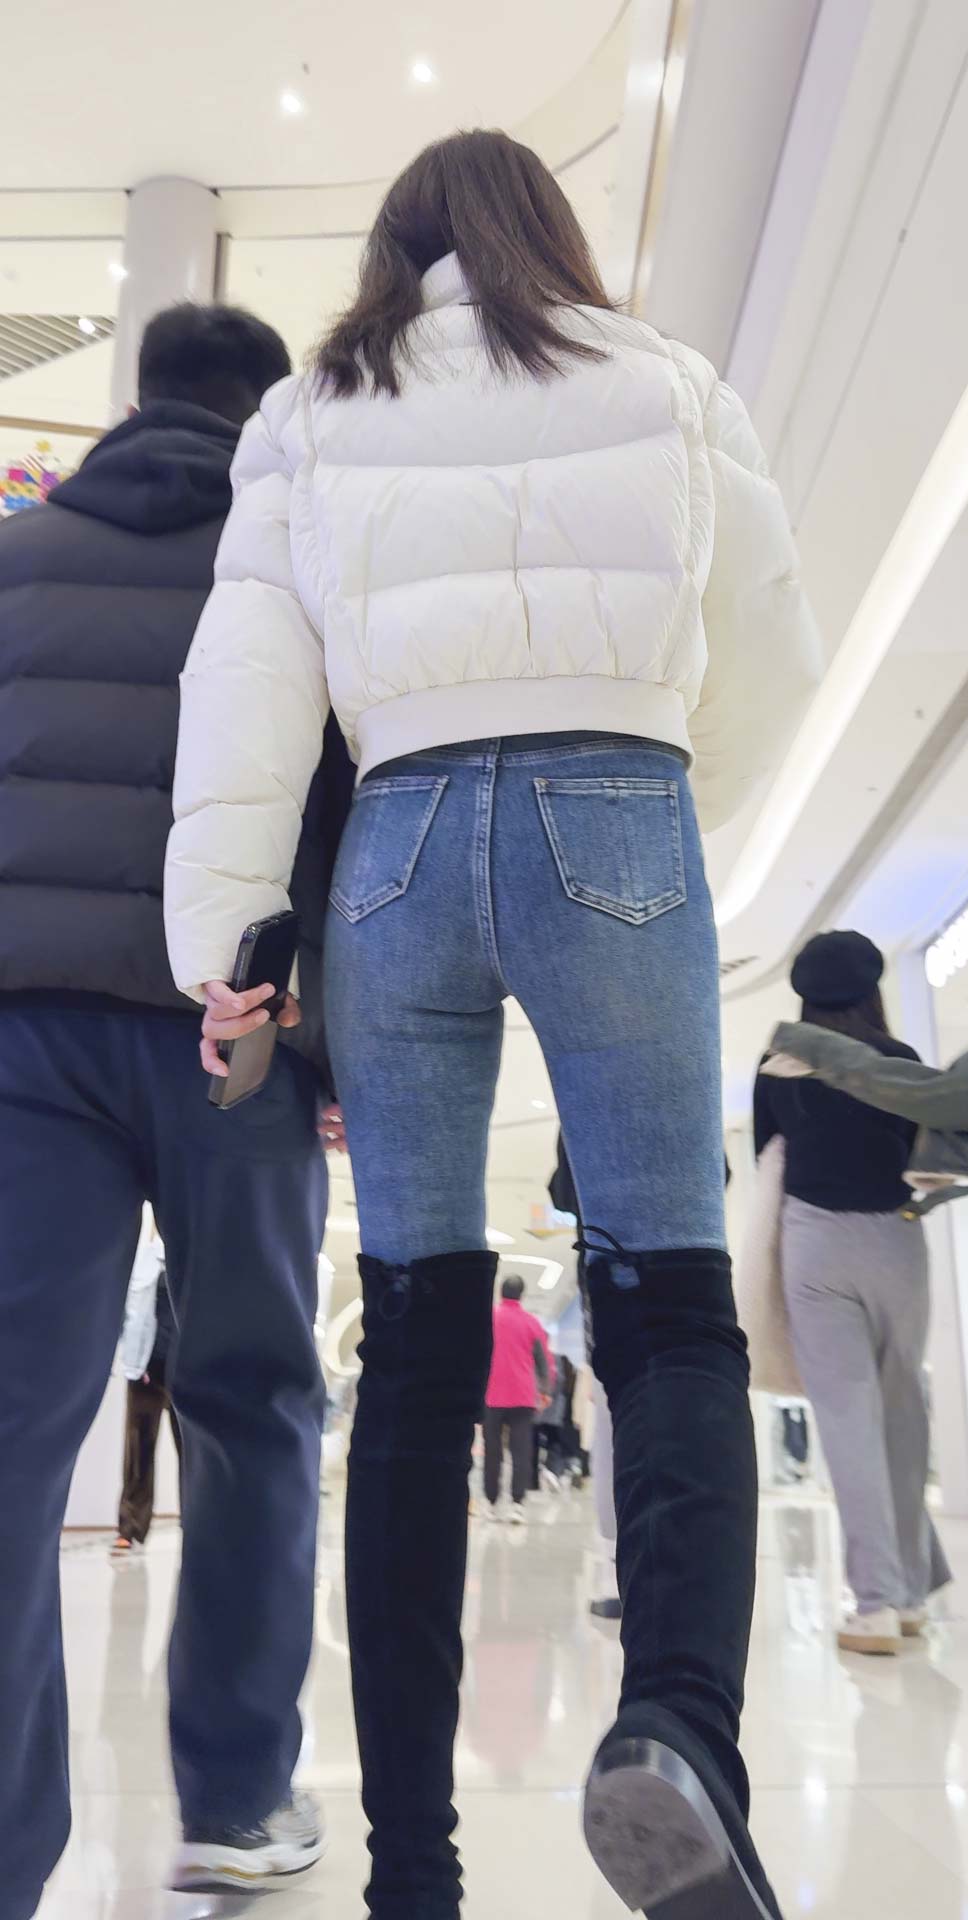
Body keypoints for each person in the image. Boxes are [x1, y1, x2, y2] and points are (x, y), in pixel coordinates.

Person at [165, 128, 821, 1920]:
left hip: (396, 847)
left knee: (415, 1346)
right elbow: (773, 650)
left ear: (397, 252)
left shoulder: (312, 410)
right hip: (618, 806)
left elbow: (248, 689)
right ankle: (677, 1732)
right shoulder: (663, 378)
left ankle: (412, 1869)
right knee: (669, 1302)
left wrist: (225, 945)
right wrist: (671, 806)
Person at [0, 304, 353, 1915]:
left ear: (128, 402)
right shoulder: (296, 569)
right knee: (254, 1402)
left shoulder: (14, 560)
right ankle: (235, 1799)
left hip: (25, 1043)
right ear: (267, 413)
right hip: (240, 1032)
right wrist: (336, 1050)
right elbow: (350, 819)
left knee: (13, 1429)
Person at [770, 943, 968, 1566]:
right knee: (901, 1400)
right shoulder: (927, 1053)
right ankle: (908, 1577)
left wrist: (809, 1045)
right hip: (905, 1239)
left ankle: (879, 1590)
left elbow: (925, 1099)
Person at [755, 932, 951, 1656]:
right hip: (897, 1237)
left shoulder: (779, 1062)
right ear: (872, 989)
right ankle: (909, 1599)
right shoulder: (899, 1061)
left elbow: (766, 1156)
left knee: (847, 1420)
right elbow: (925, 1148)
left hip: (815, 1242)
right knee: (904, 1411)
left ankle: (875, 1603)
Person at [115, 1235, 181, 1552]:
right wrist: (130, 1358)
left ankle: (195, 1525)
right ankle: (129, 1527)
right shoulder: (143, 1260)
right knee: (138, 1452)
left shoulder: (196, 1259)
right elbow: (127, 1313)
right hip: (146, 1368)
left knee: (194, 1455)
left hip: (186, 1372)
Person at [483, 1275, 554, 1523]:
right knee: (521, 1451)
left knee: (492, 1452)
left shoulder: (489, 1317)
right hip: (523, 1396)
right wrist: (545, 1390)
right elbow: (543, 1360)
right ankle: (517, 1505)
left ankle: (491, 1503)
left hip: (491, 1395)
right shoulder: (531, 1322)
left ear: (500, 1292)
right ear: (521, 1295)